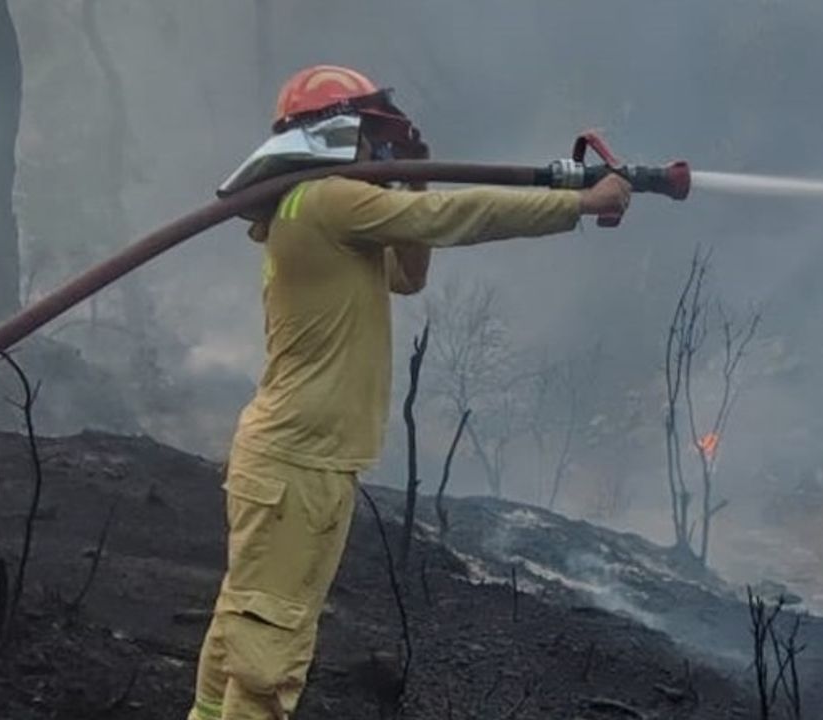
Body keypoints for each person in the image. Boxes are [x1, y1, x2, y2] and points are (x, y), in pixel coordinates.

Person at [188, 65, 631, 720]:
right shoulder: (328, 199)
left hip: (297, 458)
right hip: (298, 464)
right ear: (337, 132)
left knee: (245, 624)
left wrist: (411, 180)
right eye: (375, 137)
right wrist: (580, 203)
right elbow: (454, 215)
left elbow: (409, 272)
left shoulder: (315, 207)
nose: (382, 151)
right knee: (268, 651)